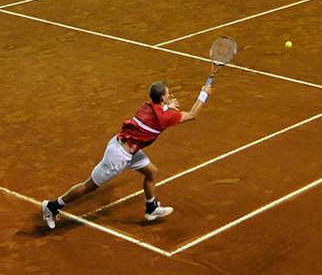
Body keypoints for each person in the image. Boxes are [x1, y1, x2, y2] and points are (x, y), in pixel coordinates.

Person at [41, 79, 213, 229]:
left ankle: (151, 209)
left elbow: (159, 113)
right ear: (162, 98)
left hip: (124, 146)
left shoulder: (146, 106)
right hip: (118, 157)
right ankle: (52, 206)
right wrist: (203, 94)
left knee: (151, 172)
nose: (171, 95)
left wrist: (167, 107)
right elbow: (192, 114)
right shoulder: (164, 118)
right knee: (90, 186)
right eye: (168, 94)